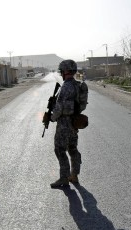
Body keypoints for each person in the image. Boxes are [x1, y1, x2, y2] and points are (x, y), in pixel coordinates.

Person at [47, 59, 87, 188]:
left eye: (62, 71)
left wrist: (52, 118)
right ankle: (74, 175)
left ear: (65, 71)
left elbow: (59, 108)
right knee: (73, 148)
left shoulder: (66, 87)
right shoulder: (78, 85)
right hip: (74, 123)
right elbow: (81, 105)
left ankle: (64, 178)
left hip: (64, 123)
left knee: (60, 149)